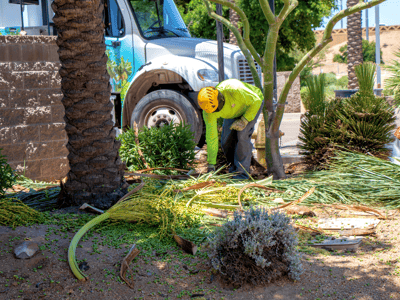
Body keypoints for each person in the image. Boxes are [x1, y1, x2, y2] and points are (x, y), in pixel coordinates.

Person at [198, 78, 263, 179]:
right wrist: (211, 165)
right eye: (214, 111)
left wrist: (245, 119)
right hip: (232, 112)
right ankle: (233, 171)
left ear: (220, 98)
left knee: (242, 136)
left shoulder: (234, 88)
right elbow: (212, 138)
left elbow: (256, 100)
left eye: (217, 109)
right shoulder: (208, 112)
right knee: (225, 140)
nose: (216, 112)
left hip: (251, 105)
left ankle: (242, 175)